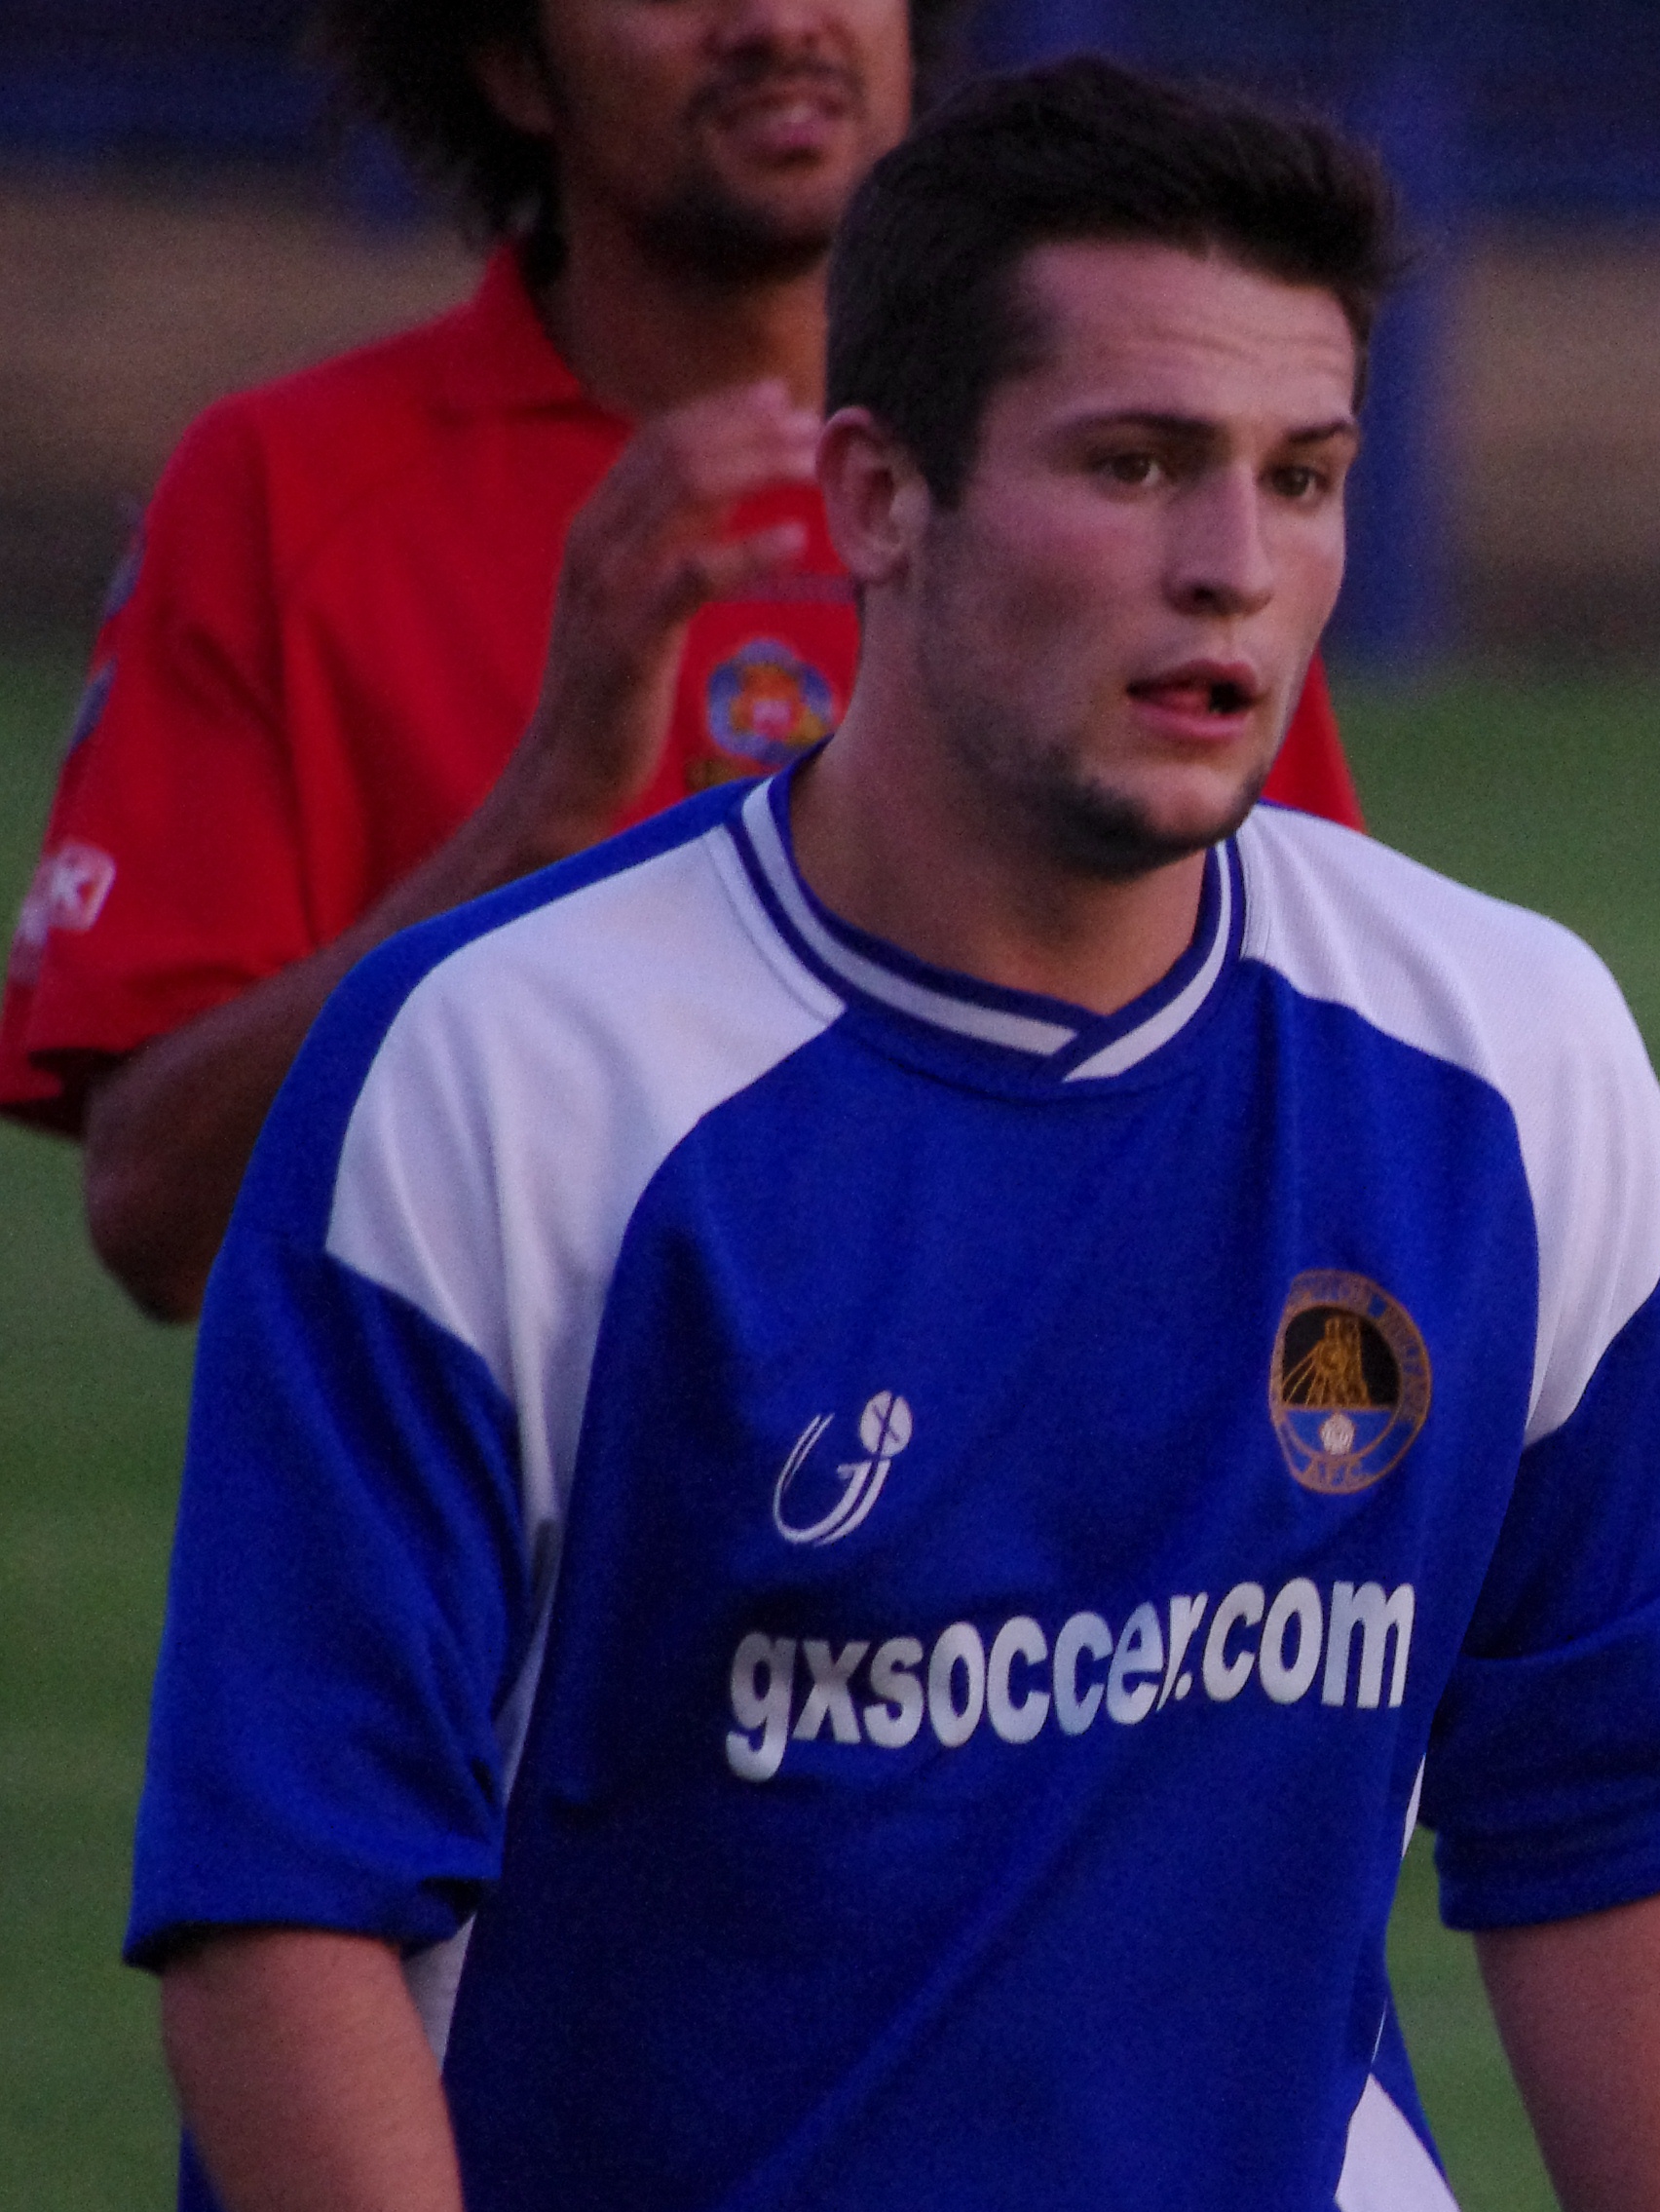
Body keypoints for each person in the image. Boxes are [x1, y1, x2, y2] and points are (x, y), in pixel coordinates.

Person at [131, 56, 1660, 2212]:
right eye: (1131, 466)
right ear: (875, 500)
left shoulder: (1509, 1067)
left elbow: (1613, 1819)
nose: (1231, 568)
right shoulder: (507, 1080)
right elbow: (278, 1907)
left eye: (1302, 476)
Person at [0, 0, 1360, 1324]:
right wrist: (534, 825)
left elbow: (1324, 1113)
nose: (778, 21)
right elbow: (161, 1223)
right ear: (509, 60)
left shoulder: (1122, 503)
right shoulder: (285, 492)